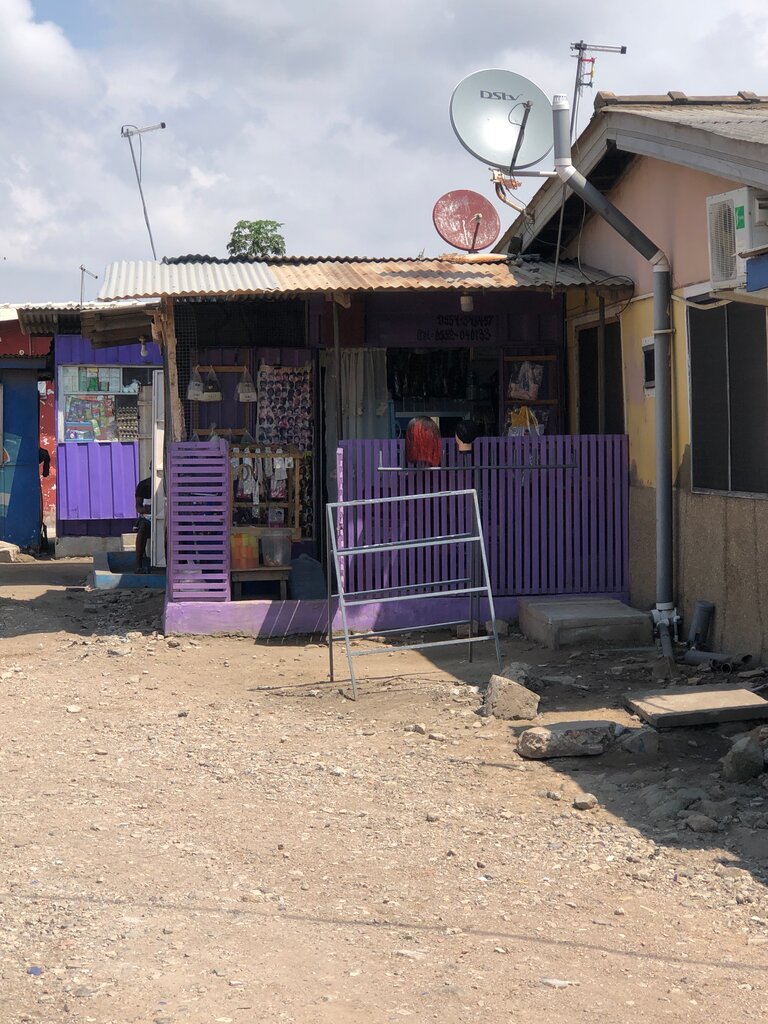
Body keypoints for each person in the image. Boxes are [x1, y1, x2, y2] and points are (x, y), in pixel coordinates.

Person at [135, 477, 152, 571]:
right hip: (148, 518)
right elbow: (138, 507)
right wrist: (144, 510)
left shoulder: (170, 483)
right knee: (143, 527)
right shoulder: (144, 485)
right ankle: (139, 563)